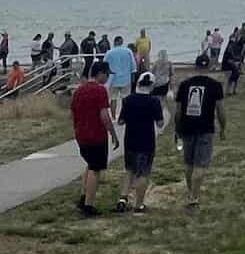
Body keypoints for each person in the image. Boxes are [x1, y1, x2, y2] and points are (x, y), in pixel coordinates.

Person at [173, 54, 227, 209]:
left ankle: (191, 192)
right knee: (200, 165)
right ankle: (194, 198)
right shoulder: (215, 85)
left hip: (187, 128)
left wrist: (178, 130)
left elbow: (178, 112)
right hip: (205, 129)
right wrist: (223, 128)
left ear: (195, 67)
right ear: (209, 67)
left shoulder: (184, 85)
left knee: (189, 164)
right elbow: (220, 110)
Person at [71, 60, 118, 216]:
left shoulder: (79, 91)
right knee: (95, 169)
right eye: (107, 75)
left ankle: (84, 196)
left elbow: (72, 113)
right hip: (96, 135)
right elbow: (104, 115)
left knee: (90, 165)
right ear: (101, 74)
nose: (107, 78)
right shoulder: (100, 91)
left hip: (81, 135)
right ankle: (89, 206)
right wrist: (113, 133)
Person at [116, 71, 167, 212]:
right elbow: (160, 123)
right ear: (151, 85)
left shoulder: (128, 100)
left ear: (138, 83)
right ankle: (139, 204)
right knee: (143, 173)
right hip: (146, 141)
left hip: (130, 140)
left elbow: (120, 122)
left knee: (129, 170)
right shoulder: (154, 102)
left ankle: (122, 198)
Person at [105, 34, 137, 114]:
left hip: (113, 79)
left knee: (113, 98)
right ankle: (125, 115)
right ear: (121, 42)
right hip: (126, 79)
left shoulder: (109, 53)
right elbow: (133, 66)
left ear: (114, 42)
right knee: (125, 98)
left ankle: (113, 117)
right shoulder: (128, 51)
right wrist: (133, 78)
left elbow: (105, 65)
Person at [222, 31, 244, 95]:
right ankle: (228, 91)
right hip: (227, 66)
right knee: (229, 79)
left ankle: (231, 91)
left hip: (230, 65)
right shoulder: (229, 47)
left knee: (235, 76)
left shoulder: (231, 47)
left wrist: (236, 61)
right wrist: (235, 63)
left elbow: (232, 57)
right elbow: (228, 59)